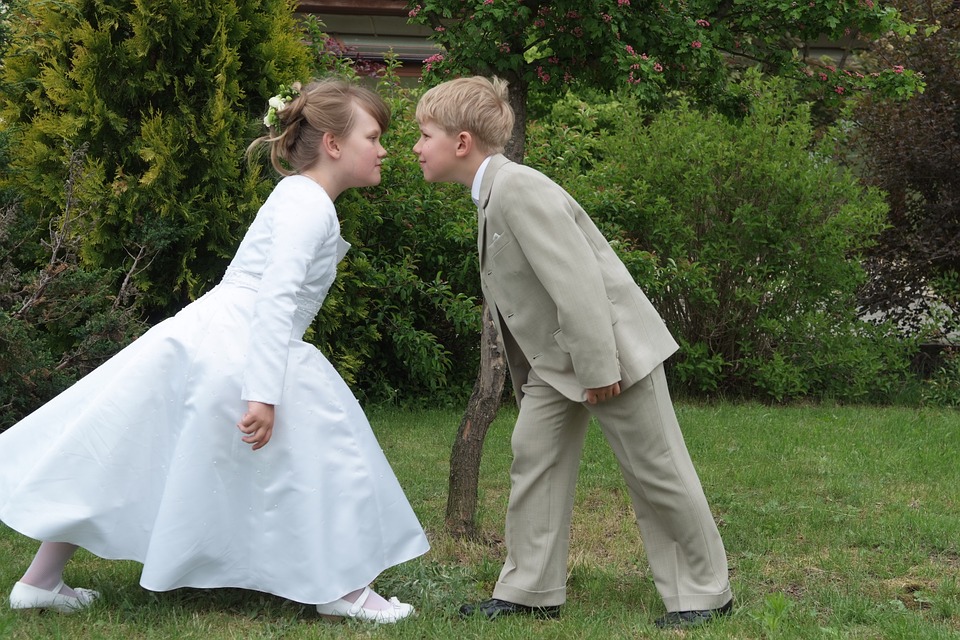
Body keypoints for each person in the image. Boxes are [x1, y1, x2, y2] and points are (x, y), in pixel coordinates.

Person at [0, 78, 429, 623]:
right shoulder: (310, 205)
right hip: (241, 342)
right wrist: (263, 393)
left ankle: (40, 580)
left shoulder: (300, 196)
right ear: (333, 144)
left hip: (214, 332)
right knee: (332, 451)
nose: (383, 149)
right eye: (373, 137)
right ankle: (342, 588)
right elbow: (276, 298)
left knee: (124, 448)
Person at [413, 76, 733, 629]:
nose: (416, 147)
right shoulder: (493, 193)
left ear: (461, 142)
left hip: (609, 352)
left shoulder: (517, 188)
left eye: (424, 135)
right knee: (534, 456)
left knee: (656, 469)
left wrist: (599, 368)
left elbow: (578, 282)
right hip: (556, 360)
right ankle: (531, 590)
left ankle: (704, 593)